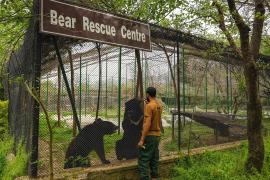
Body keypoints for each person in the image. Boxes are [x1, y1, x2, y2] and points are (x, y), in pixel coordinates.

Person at [138, 87, 163, 180]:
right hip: (157, 135)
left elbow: (147, 124)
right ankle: (154, 177)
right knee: (154, 158)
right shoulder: (159, 105)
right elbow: (156, 118)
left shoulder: (149, 106)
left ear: (148, 94)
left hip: (150, 135)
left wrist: (142, 139)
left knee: (143, 159)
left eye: (146, 94)